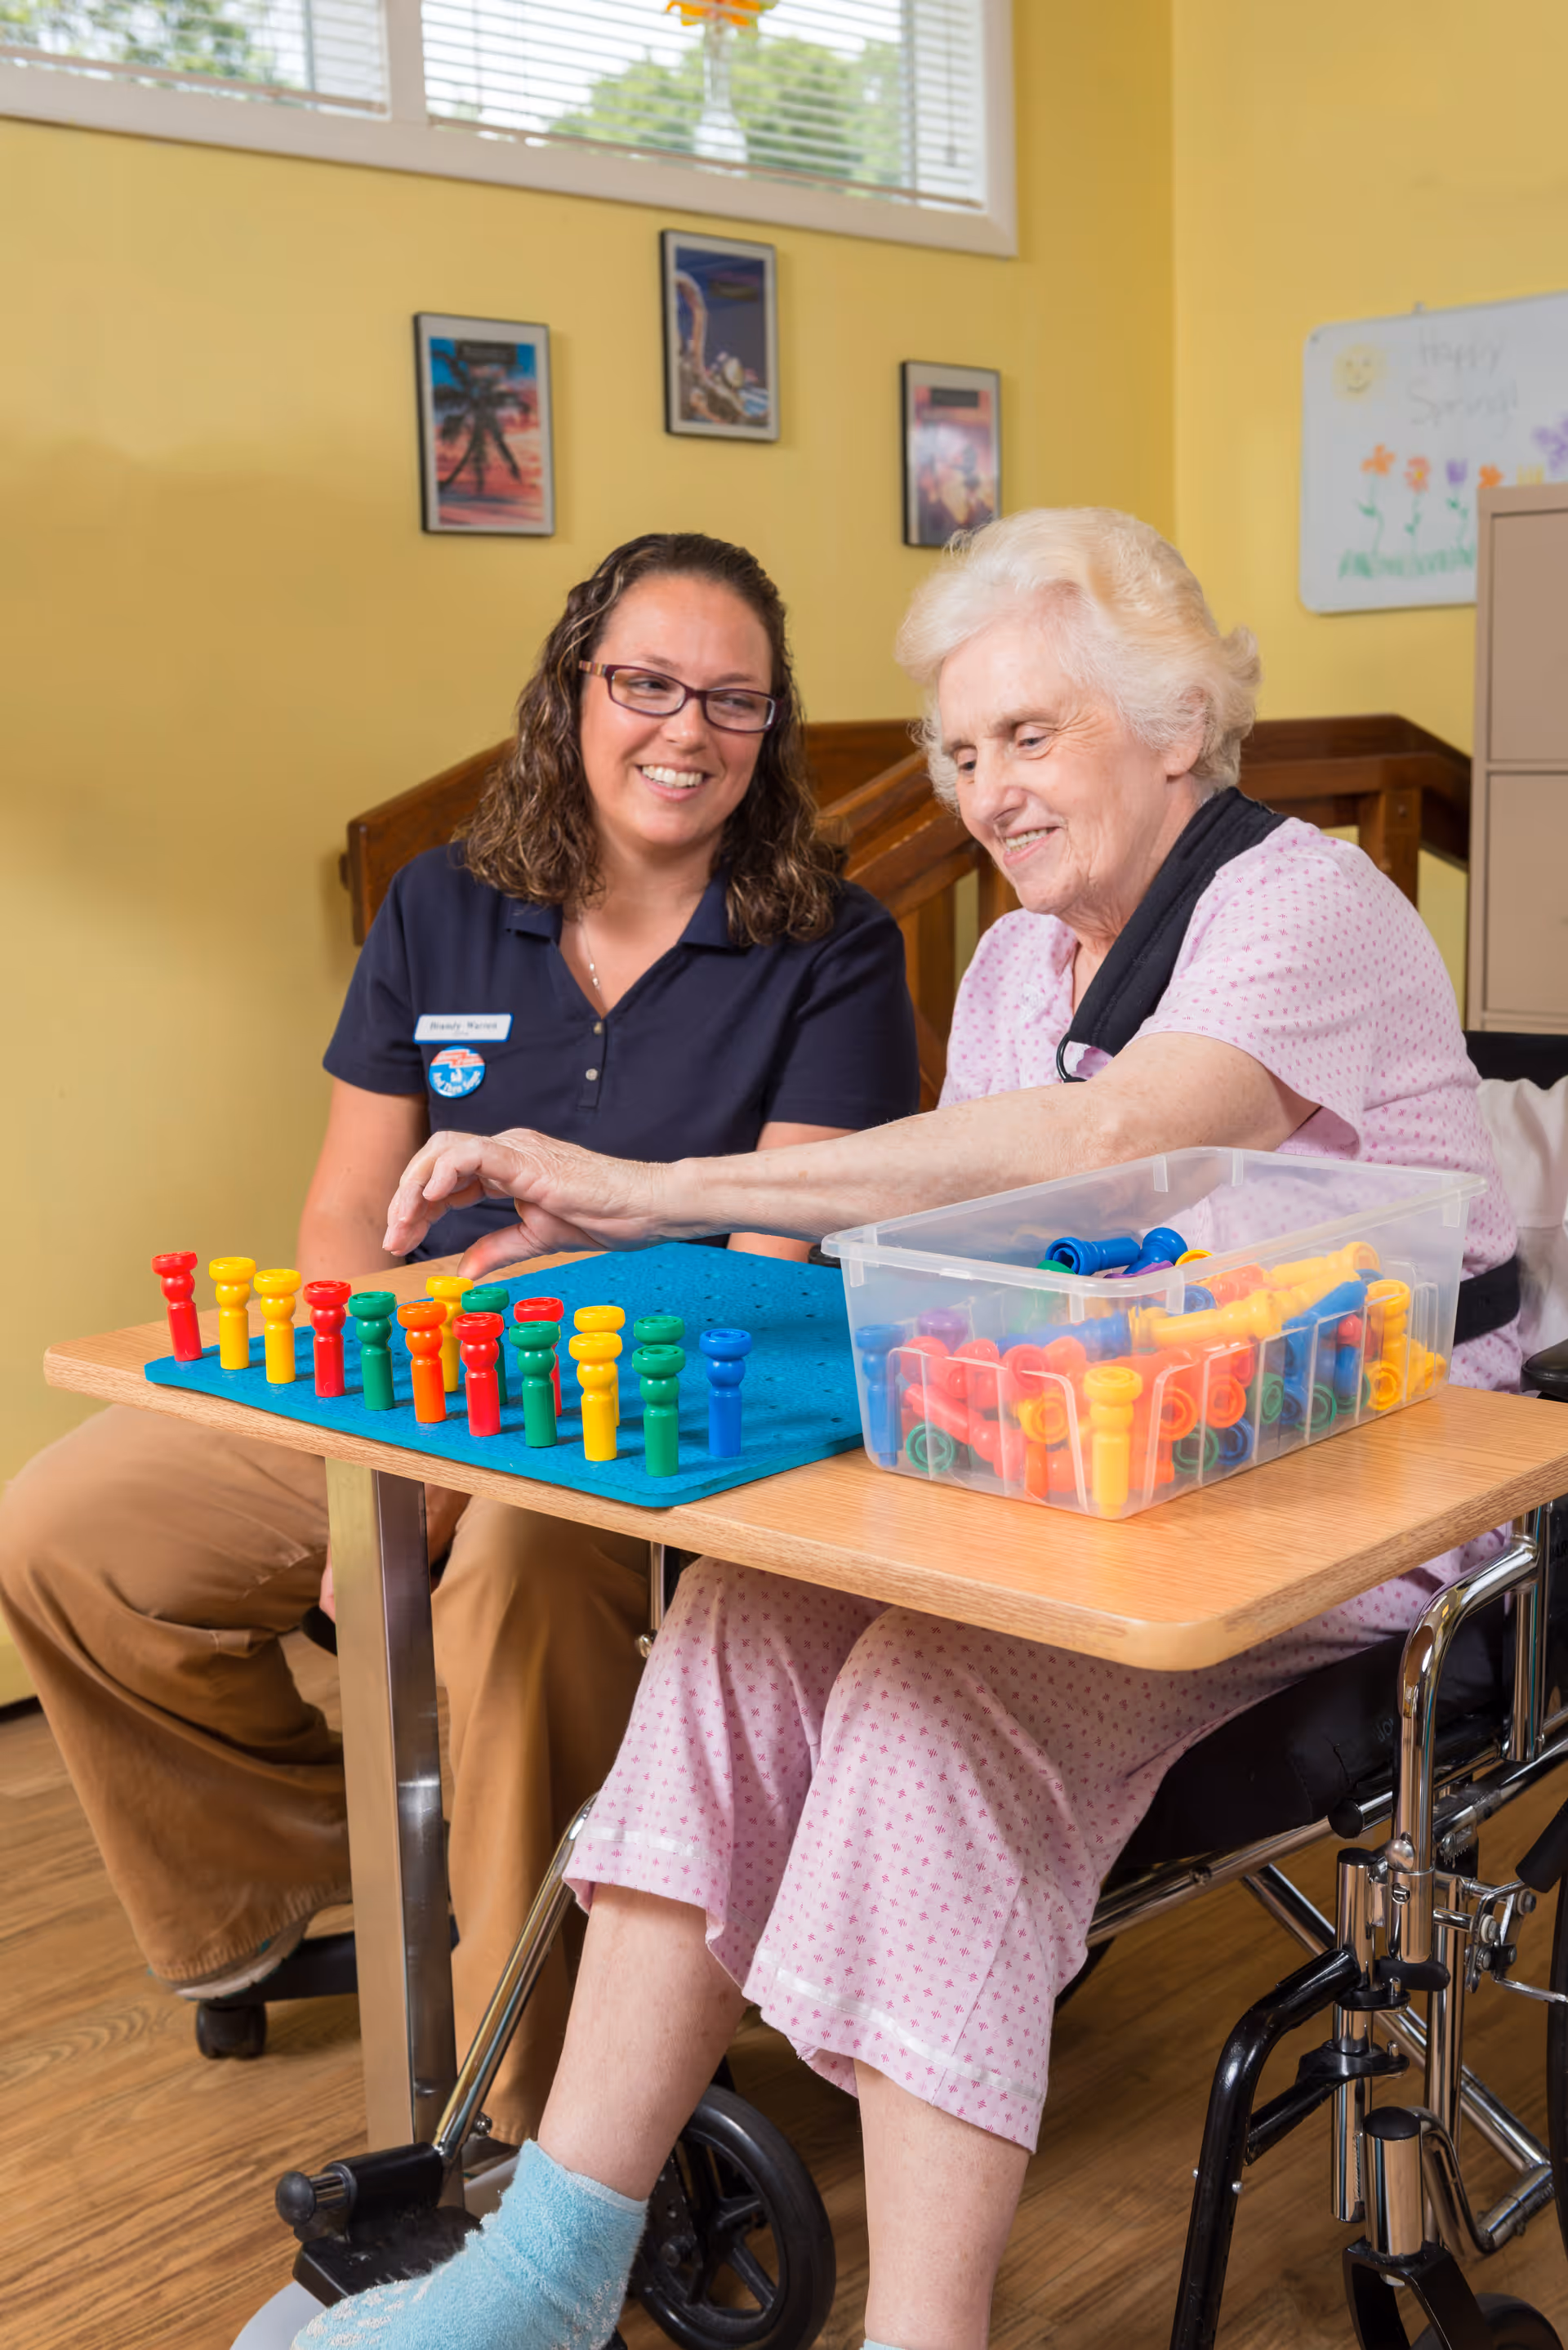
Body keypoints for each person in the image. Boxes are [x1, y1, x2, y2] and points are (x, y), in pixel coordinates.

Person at [292, 507, 1522, 2350]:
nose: (986, 792)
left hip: (1354, 1499)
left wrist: (645, 1186)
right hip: (1097, 1474)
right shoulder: (1029, 967)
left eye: (1033, 734)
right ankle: (545, 2267)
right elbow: (975, 1240)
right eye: (959, 750)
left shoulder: (1305, 903)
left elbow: (1122, 1148)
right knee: (734, 1621)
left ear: (1176, 721)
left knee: (921, 1715)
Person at [0, 532, 919, 2150]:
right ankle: (337, 1882)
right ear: (573, 689)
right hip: (399, 1367)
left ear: (770, 733)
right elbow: (346, 1214)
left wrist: (539, 1318)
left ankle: (537, 2110)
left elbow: (760, 1271)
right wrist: (398, 1439)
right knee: (65, 1535)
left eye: (733, 702)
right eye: (645, 684)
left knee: (503, 1577)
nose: (685, 732)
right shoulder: (442, 903)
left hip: (641, 1420)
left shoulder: (832, 944)